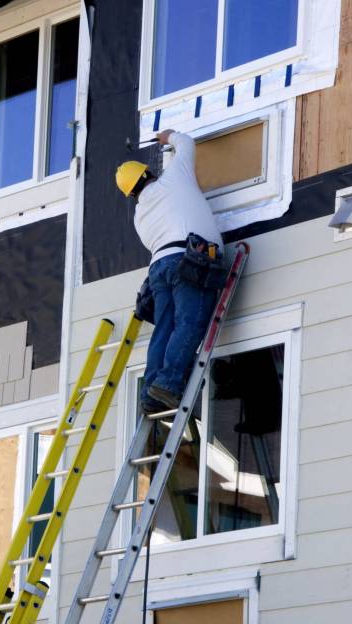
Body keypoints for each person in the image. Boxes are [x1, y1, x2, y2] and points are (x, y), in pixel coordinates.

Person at [116, 129, 223, 414]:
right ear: (149, 173)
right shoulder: (173, 180)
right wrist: (167, 137)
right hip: (187, 260)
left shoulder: (140, 216)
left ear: (131, 192)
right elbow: (186, 142)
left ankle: (151, 390)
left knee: (165, 328)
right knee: (190, 322)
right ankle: (169, 383)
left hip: (158, 270)